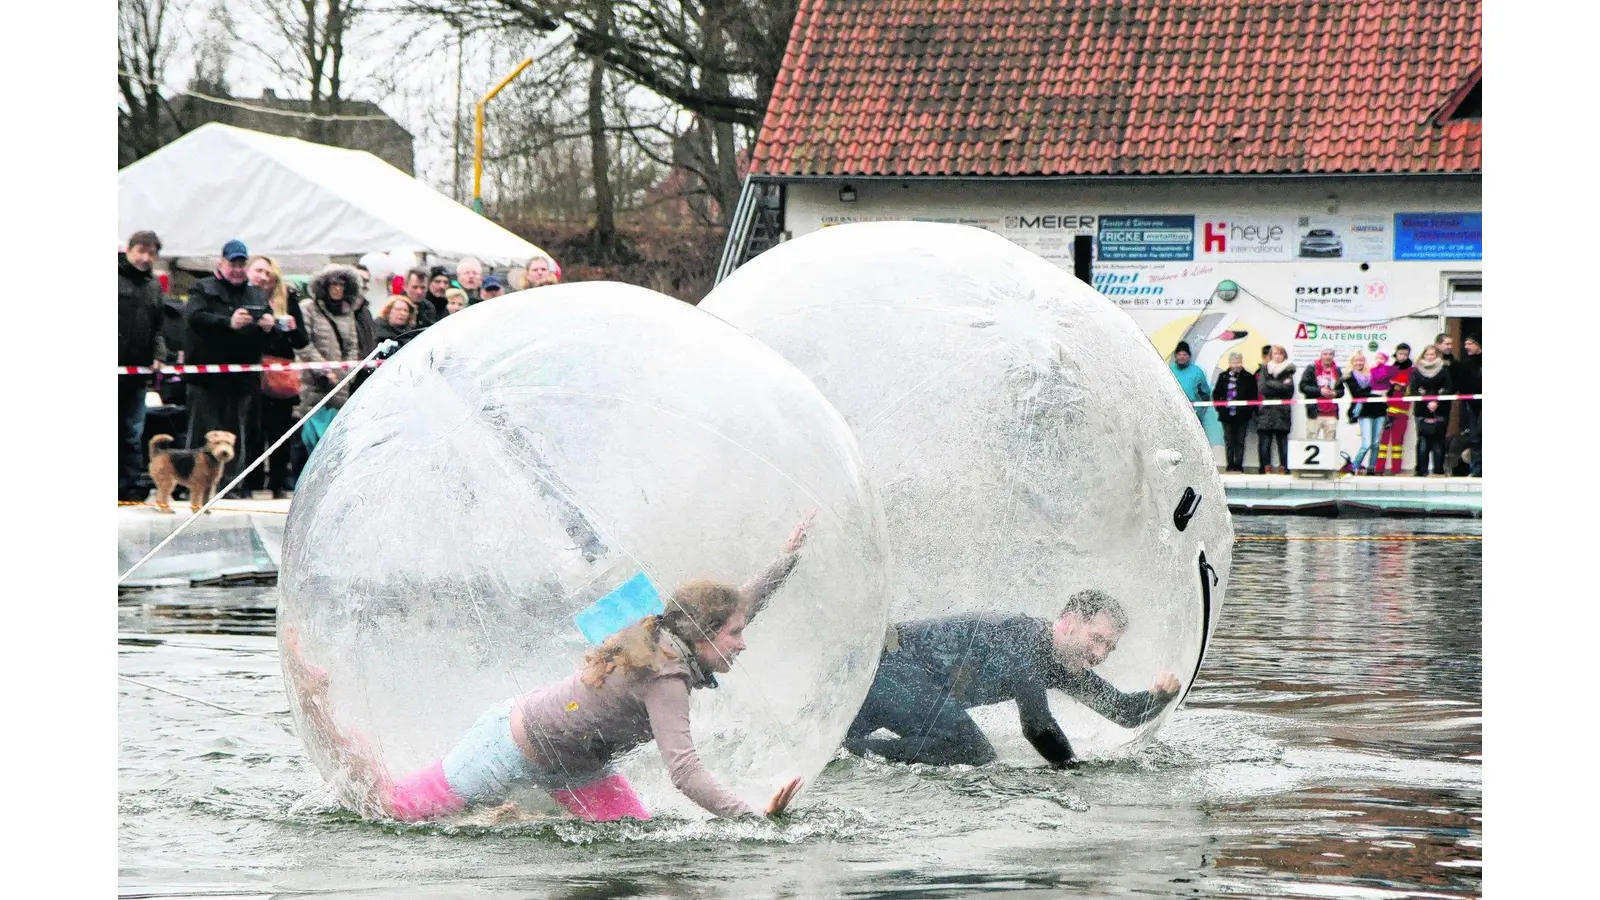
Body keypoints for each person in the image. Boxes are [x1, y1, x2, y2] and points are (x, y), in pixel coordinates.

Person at [283, 518, 815, 823]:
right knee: (389, 810)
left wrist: (786, 561)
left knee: (639, 843)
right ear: (702, 635)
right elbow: (684, 770)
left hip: (580, 768)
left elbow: (737, 603)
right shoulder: (667, 676)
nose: (743, 645)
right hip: (507, 750)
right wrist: (751, 822)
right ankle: (317, 699)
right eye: (735, 634)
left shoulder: (672, 632)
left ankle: (518, 816)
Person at [844, 589, 1180, 767]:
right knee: (973, 751)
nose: (1100, 654)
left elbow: (1123, 712)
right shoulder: (1028, 640)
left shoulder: (1064, 661)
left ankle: (847, 747)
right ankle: (852, 750)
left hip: (898, 680)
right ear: (1068, 622)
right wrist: (1074, 774)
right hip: (888, 667)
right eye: (1096, 639)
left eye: (1110, 647)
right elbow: (1037, 727)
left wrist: (1160, 697)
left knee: (969, 748)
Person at [184, 239, 273, 497]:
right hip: (206, 378)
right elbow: (194, 318)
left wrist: (269, 326)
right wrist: (228, 322)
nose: (237, 268)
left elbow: (270, 339)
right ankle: (193, 485)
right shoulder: (202, 289)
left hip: (242, 379)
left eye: (241, 263)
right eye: (232, 263)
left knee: (237, 435)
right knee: (204, 432)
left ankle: (231, 485)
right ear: (221, 263)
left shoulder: (256, 294)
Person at [245, 255, 310, 499]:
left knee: (279, 432)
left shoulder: (288, 298)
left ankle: (278, 483)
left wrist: (291, 328)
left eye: (270, 278)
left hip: (280, 372)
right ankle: (252, 482)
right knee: (254, 431)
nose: (265, 281)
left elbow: (302, 340)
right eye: (261, 275)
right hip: (254, 370)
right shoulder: (247, 298)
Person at [296, 265, 376, 458]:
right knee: (306, 435)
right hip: (311, 382)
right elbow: (302, 342)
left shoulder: (347, 313)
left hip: (339, 384)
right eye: (333, 284)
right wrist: (323, 370)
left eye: (342, 284)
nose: (337, 289)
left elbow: (352, 348)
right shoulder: (308, 308)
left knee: (331, 438)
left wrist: (344, 377)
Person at [118, 230, 168, 503]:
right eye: (141, 251)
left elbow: (158, 326)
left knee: (132, 433)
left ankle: (128, 486)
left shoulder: (153, 285)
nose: (145, 258)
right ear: (129, 249)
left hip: (137, 374)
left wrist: (159, 354)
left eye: (151, 253)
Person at [1409, 344, 1453, 477]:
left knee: (1439, 441)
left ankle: (1438, 470)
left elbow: (1449, 387)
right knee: (1422, 440)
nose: (1429, 357)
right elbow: (1413, 390)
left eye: (1432, 354)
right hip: (1422, 409)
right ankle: (1421, 470)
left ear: (1437, 356)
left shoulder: (1444, 369)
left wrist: (1437, 401)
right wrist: (1427, 401)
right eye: (1427, 354)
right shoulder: (1416, 370)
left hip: (1440, 409)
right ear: (1423, 355)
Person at [1342, 351, 1385, 475]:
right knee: (1366, 443)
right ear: (1352, 362)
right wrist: (1376, 394)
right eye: (1356, 360)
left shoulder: (1372, 374)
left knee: (1376, 444)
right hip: (1364, 411)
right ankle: (1354, 466)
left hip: (1379, 410)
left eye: (1361, 360)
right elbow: (1358, 393)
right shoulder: (1349, 376)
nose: (1359, 363)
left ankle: (1372, 468)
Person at [1373, 343, 1414, 475]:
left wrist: (1403, 387)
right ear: (1396, 353)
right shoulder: (1389, 369)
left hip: (1402, 410)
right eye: (1400, 353)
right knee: (1383, 442)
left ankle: (1396, 469)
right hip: (1387, 409)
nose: (1402, 356)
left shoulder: (1412, 371)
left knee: (1397, 442)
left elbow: (1411, 389)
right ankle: (1379, 469)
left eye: (1405, 354)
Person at [1168, 341, 1220, 443]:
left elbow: (1205, 393)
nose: (1181, 357)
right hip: (1174, 412)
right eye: (1179, 354)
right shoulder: (1169, 370)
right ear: (1175, 356)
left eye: (1184, 354)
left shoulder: (1197, 372)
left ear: (1189, 356)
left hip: (1194, 413)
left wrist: (1199, 409)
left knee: (1194, 440)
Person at [1215, 352, 1258, 473]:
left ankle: (1238, 465)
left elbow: (1253, 395)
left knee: (1240, 441)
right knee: (1229, 441)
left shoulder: (1248, 377)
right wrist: (1220, 408)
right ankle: (1230, 464)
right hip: (1226, 416)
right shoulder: (1223, 376)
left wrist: (1248, 410)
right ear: (1229, 363)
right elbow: (1216, 394)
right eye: (1233, 362)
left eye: (1238, 362)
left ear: (1241, 362)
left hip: (1242, 416)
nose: (1236, 365)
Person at [1256, 345, 1295, 474]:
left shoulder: (1289, 370)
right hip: (1265, 411)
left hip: (1282, 411)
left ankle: (1284, 467)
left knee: (1282, 442)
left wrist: (1270, 383)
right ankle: (1265, 468)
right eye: (1275, 354)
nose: (1277, 356)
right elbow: (1262, 388)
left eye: (1280, 354)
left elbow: (1289, 390)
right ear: (1271, 355)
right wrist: (1279, 385)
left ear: (1284, 355)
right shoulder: (1264, 369)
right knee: (1265, 441)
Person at [1298, 347, 1344, 441]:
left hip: (1332, 412)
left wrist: (1335, 393)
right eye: (1325, 354)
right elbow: (1302, 387)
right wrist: (1320, 391)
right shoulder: (1311, 368)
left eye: (1330, 354)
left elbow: (1341, 391)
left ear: (1333, 356)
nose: (1328, 357)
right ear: (1321, 355)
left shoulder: (1337, 370)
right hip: (1315, 412)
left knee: (1330, 444)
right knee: (1311, 440)